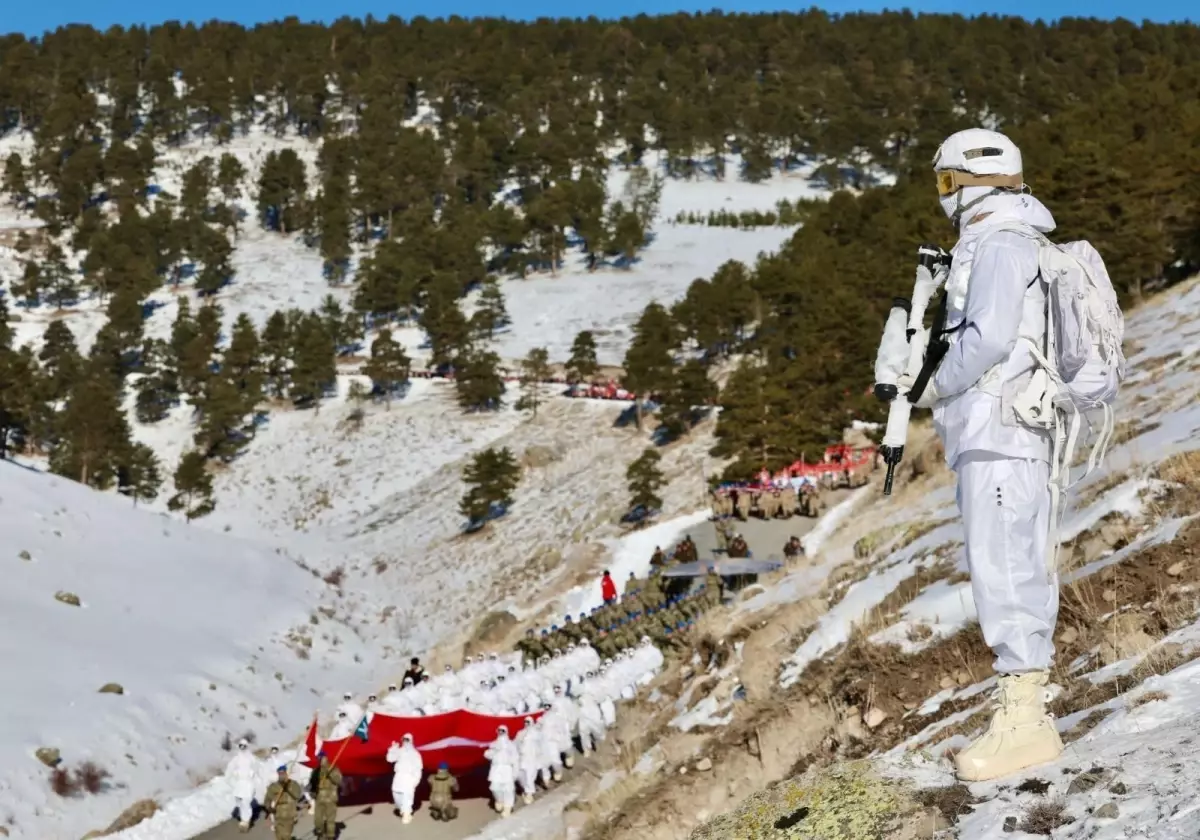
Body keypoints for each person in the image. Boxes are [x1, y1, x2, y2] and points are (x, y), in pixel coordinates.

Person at [925, 128, 1063, 782]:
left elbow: (988, 338)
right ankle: (1022, 711)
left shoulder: (1002, 243)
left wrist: (933, 385)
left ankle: (1026, 722)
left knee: (1005, 563)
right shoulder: (1000, 239)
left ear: (969, 182)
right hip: (994, 429)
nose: (942, 198)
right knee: (1004, 559)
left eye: (946, 183)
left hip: (1000, 428)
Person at [386, 734, 423, 824]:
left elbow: (418, 768)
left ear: (411, 740)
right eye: (404, 739)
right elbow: (390, 759)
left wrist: (415, 781)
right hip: (398, 778)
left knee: (407, 798)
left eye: (407, 739)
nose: (405, 741)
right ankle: (403, 811)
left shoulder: (415, 754)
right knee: (397, 796)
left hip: (408, 779)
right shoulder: (399, 751)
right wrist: (393, 749)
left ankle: (407, 815)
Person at [263, 765, 306, 840]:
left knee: (286, 834)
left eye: (283, 773)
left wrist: (287, 789)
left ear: (286, 773)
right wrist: (269, 808)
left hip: (290, 812)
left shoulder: (293, 784)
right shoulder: (273, 786)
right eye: (280, 774)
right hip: (278, 813)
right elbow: (267, 799)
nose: (281, 775)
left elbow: (297, 796)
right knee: (278, 835)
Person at [225, 738, 259, 832]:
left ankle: (246, 821)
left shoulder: (252, 758)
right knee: (239, 802)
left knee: (246, 802)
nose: (242, 748)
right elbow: (230, 768)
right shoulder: (236, 759)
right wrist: (228, 778)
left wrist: (254, 778)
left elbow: (257, 769)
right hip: (239, 784)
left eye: (244, 746)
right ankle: (243, 817)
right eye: (241, 746)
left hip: (248, 783)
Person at [485, 725, 518, 817]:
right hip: (496, 769)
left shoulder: (511, 745)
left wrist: (515, 771)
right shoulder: (494, 744)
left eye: (503, 730)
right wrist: (494, 750)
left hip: (507, 769)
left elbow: (515, 759)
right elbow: (487, 755)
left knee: (508, 789)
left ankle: (508, 807)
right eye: (499, 730)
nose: (501, 732)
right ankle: (499, 800)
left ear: (506, 731)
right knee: (494, 787)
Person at [310, 752, 342, 840]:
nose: (320, 760)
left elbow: (339, 781)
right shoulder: (316, 770)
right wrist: (312, 791)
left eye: (322, 758)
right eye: (319, 758)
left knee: (330, 820)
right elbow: (312, 783)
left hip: (331, 797)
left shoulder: (334, 769)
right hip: (319, 798)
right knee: (318, 820)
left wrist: (330, 774)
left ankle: (330, 837)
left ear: (326, 758)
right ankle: (321, 833)